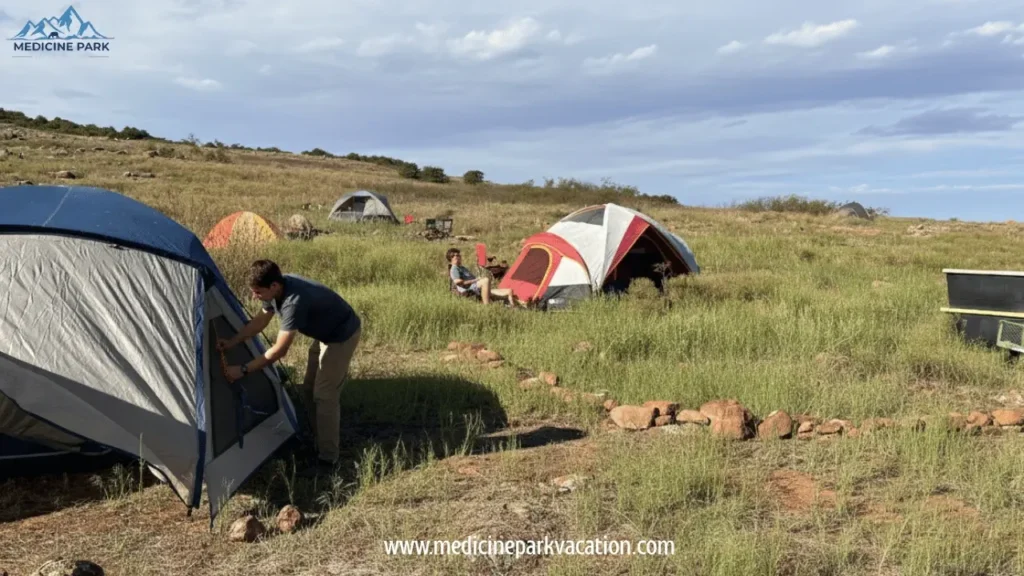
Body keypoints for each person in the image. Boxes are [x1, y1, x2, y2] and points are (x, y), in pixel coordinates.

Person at [218, 260, 361, 471]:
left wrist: (243, 370)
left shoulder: (293, 302)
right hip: (324, 335)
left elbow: (279, 350)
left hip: (341, 337)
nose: (254, 297)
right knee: (309, 390)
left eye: (257, 292)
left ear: (274, 286)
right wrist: (233, 341)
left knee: (324, 396)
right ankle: (319, 439)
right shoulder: (277, 289)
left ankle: (328, 459)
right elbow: (260, 322)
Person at [447, 248, 518, 306]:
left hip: (476, 287)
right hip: (468, 290)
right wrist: (475, 280)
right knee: (485, 280)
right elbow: (458, 282)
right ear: (450, 259)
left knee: (509, 291)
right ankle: (487, 306)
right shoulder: (454, 269)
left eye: (458, 255)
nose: (456, 257)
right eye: (453, 256)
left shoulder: (462, 268)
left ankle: (513, 307)